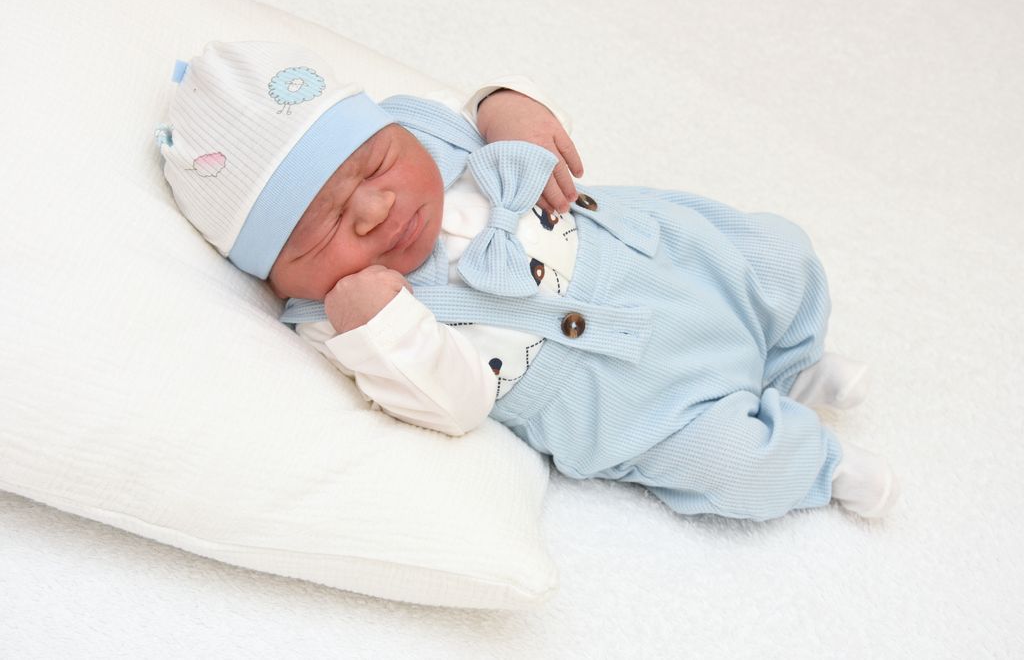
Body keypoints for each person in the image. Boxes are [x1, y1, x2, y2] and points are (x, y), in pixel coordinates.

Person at [157, 41, 899, 521]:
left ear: (393, 127)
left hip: (661, 254)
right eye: (323, 229)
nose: (375, 210)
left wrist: (507, 106)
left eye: (376, 165)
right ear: (280, 276)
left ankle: (793, 363)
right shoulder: (336, 321)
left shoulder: (426, 129)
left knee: (777, 253)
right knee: (733, 467)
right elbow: (456, 404)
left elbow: (480, 100)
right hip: (634, 405)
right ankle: (820, 466)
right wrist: (381, 327)